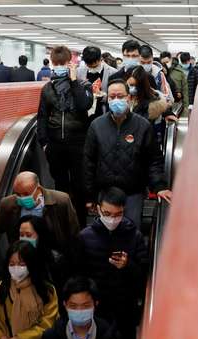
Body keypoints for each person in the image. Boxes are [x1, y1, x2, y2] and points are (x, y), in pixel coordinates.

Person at [72, 187, 149, 339]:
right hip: (96, 308)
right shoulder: (85, 237)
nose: (112, 219)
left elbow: (144, 274)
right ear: (98, 209)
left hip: (125, 308)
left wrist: (128, 265)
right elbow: (77, 272)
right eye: (107, 213)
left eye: (117, 214)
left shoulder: (134, 236)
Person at [83, 80, 172, 227]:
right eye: (112, 97)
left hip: (133, 193)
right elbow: (88, 162)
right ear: (107, 99)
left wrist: (159, 186)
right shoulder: (96, 126)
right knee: (105, 234)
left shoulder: (142, 125)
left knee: (131, 233)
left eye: (120, 96)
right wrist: (90, 195)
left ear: (129, 98)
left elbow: (153, 160)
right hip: (105, 194)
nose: (116, 100)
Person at [0, 171, 81, 268]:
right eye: (18, 194)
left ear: (38, 189)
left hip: (53, 259)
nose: (22, 198)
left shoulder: (61, 201)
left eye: (26, 194)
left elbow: (73, 233)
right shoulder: (8, 204)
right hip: (23, 260)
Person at [37, 45, 93, 227]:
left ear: (71, 63)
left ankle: (81, 223)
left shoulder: (83, 85)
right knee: (60, 184)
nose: (60, 66)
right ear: (53, 63)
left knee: (79, 184)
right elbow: (43, 116)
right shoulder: (47, 88)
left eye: (64, 63)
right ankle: (63, 223)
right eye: (57, 63)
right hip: (55, 144)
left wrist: (74, 81)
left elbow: (84, 105)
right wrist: (44, 142)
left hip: (78, 143)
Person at [127, 65, 173, 145]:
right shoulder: (125, 97)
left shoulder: (151, 105)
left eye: (134, 85)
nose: (132, 88)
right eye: (130, 85)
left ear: (141, 86)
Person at [77, 46, 116, 119]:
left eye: (95, 66)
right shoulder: (79, 71)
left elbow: (114, 95)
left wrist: (102, 95)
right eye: (89, 65)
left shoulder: (112, 72)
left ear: (100, 59)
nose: (92, 68)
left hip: (102, 110)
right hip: (83, 112)